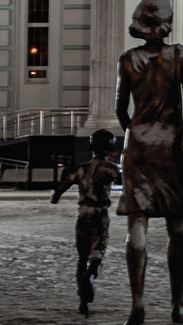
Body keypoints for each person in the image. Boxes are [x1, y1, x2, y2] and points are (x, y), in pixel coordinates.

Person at [117, 0, 183, 325]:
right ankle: (177, 306)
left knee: (137, 227)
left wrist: (136, 132)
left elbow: (120, 110)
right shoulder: (177, 55)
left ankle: (137, 302)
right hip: (170, 147)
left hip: (138, 147)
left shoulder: (128, 59)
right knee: (177, 230)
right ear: (166, 24)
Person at [52, 128, 123, 314]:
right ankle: (90, 277)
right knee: (97, 254)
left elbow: (60, 189)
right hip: (99, 213)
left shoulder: (80, 169)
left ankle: (82, 302)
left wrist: (56, 195)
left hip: (82, 214)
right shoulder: (110, 168)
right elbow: (121, 181)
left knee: (81, 257)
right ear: (110, 147)